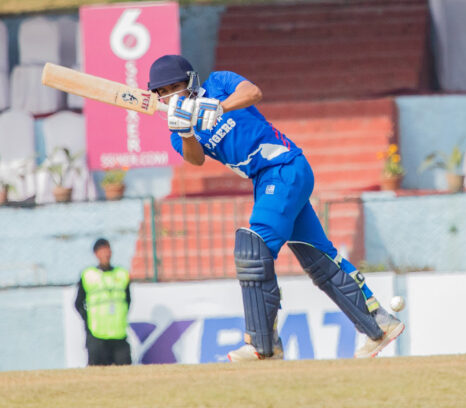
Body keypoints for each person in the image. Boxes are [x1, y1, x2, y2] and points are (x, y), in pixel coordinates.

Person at [147, 55, 404, 360]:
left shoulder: (219, 82)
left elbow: (253, 92)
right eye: (164, 92)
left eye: (175, 87)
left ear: (190, 81)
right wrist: (187, 131)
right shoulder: (178, 131)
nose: (171, 96)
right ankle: (378, 324)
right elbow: (196, 159)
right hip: (265, 180)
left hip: (283, 166)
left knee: (254, 250)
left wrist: (219, 108)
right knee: (317, 256)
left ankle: (262, 343)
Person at [74, 238, 132, 366]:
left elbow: (128, 300)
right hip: (97, 334)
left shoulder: (122, 274)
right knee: (96, 372)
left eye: (107, 250)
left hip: (119, 334)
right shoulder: (88, 275)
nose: (106, 254)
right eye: (102, 251)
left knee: (126, 372)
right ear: (96, 254)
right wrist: (88, 320)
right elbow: (78, 303)